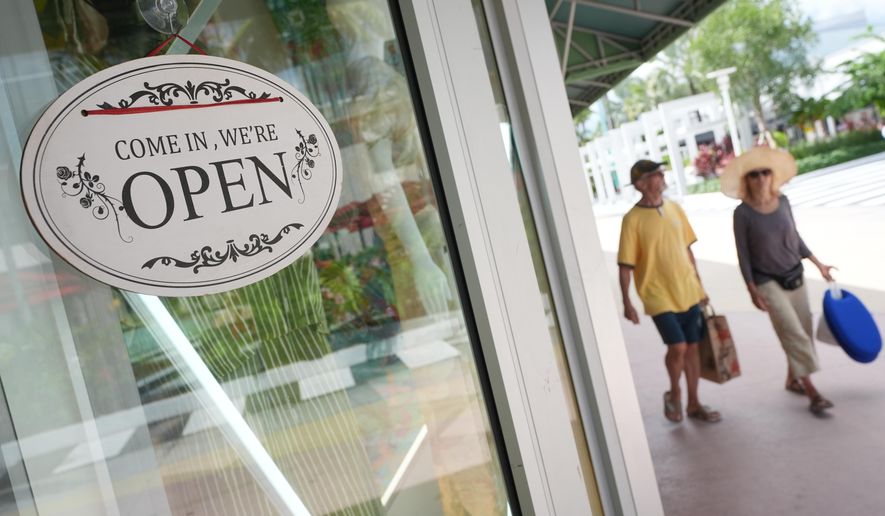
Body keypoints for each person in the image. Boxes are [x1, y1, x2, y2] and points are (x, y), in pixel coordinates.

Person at [721, 147, 836, 415]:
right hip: (766, 281)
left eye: (765, 173)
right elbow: (743, 255)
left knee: (803, 330)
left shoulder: (783, 202)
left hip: (794, 274)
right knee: (792, 333)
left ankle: (792, 379)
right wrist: (751, 289)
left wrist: (819, 265)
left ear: (772, 177)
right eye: (754, 175)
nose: (760, 178)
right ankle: (812, 392)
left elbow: (795, 238)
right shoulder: (743, 214)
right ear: (746, 181)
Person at [618, 160, 721, 423]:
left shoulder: (674, 208)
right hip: (656, 294)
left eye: (661, 173)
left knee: (693, 348)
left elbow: (688, 250)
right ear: (641, 184)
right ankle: (675, 392)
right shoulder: (632, 220)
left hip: (687, 289)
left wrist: (701, 287)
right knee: (678, 347)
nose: (661, 177)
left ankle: (694, 404)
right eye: (655, 174)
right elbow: (626, 266)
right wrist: (627, 302)